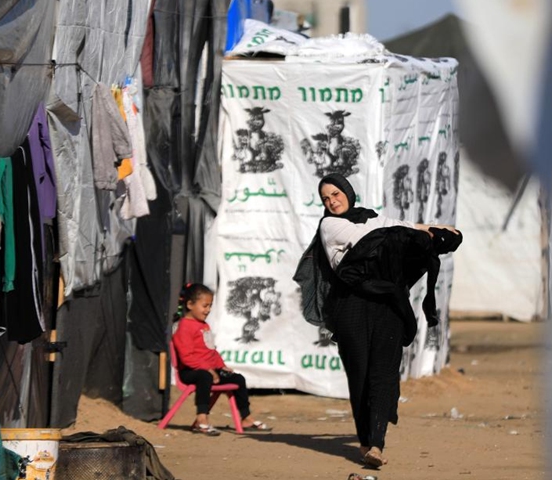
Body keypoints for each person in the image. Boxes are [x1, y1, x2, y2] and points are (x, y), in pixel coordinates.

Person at [294, 174, 462, 468]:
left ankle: (376, 444)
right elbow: (369, 241)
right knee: (359, 375)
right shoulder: (330, 225)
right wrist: (414, 235)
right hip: (352, 306)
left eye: (336, 193)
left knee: (383, 373)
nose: (332, 201)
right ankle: (364, 439)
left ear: (348, 192)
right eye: (326, 198)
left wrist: (439, 231)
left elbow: (402, 228)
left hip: (387, 305)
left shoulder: (372, 218)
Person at [171, 283, 272, 436]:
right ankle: (202, 419)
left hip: (211, 371)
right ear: (190, 304)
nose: (208, 310)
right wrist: (208, 370)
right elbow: (186, 357)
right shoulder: (184, 327)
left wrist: (221, 366)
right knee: (204, 377)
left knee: (238, 379)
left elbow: (212, 351)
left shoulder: (204, 326)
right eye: (205, 306)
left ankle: (246, 418)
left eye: (210, 306)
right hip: (191, 372)